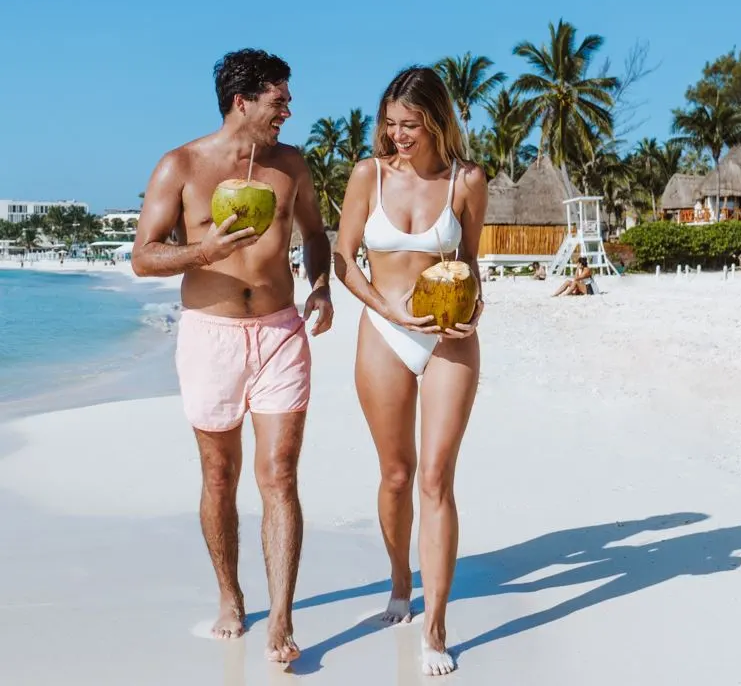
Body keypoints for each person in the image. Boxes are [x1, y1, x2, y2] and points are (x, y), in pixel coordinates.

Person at [131, 48, 333, 663]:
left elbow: (316, 235)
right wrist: (204, 249)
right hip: (209, 335)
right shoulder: (183, 165)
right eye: (279, 100)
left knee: (280, 476)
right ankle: (229, 595)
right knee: (220, 476)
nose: (289, 110)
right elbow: (143, 256)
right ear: (242, 101)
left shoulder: (291, 164)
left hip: (279, 331)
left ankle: (282, 618)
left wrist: (319, 283)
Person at [334, 66, 488, 676]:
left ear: (437, 121)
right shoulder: (367, 176)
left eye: (411, 125)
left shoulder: (466, 180)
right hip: (385, 331)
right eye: (390, 124)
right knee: (396, 475)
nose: (398, 136)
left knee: (435, 479)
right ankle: (400, 580)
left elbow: (472, 262)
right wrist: (385, 306)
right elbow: (345, 260)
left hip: (450, 338)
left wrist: (475, 309)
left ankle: (437, 623)